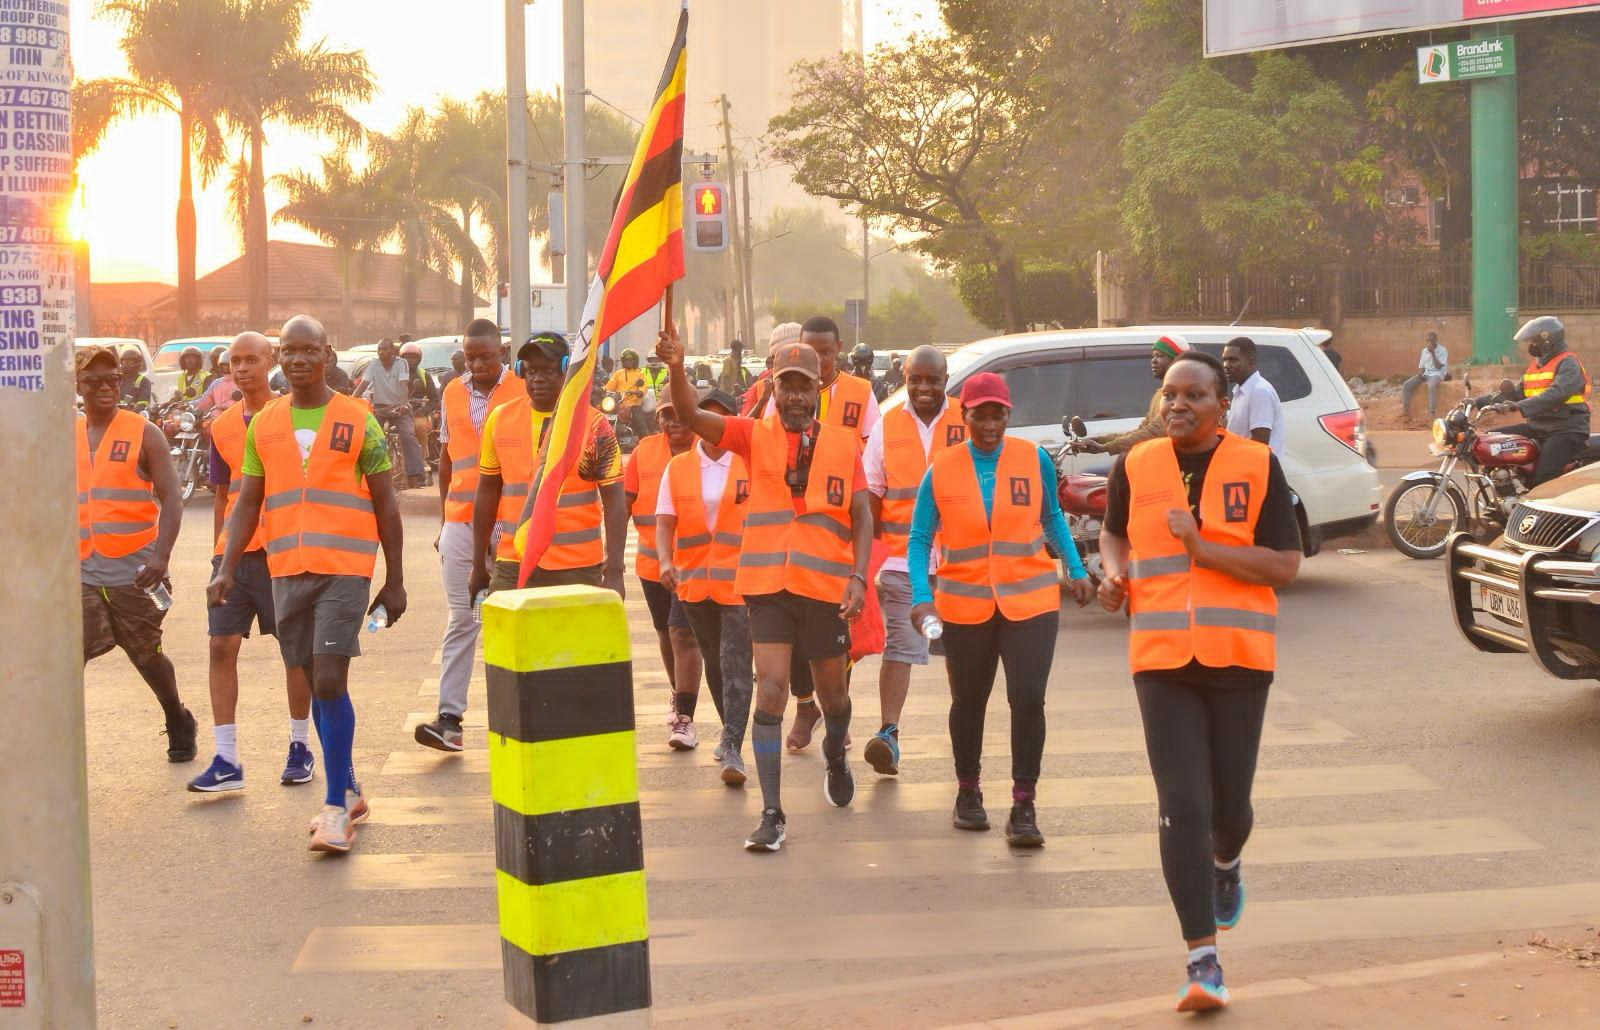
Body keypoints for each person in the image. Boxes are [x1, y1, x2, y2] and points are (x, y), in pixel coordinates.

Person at [1097, 350, 1302, 1011]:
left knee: (1228, 810)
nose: (1177, 404)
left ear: (1222, 405)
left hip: (1239, 656)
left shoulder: (1255, 464)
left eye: (1193, 395)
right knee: (1181, 804)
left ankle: (1227, 862)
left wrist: (1202, 547)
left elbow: (1285, 564)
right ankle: (1202, 960)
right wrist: (1114, 575)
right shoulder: (1136, 463)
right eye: (1168, 393)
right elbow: (1111, 533)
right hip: (1160, 658)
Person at [659, 326, 872, 853]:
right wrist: (678, 367)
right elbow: (691, 417)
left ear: (819, 388)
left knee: (833, 694)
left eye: (804, 386)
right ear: (772, 390)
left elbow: (863, 515)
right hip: (767, 587)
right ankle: (773, 814)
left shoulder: (845, 444)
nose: (795, 395)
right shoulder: (752, 436)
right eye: (786, 386)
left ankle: (838, 753)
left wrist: (859, 577)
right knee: (771, 690)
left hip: (824, 588)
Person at [208, 314, 406, 854]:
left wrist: (395, 579)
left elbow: (387, 502)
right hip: (285, 569)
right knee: (312, 676)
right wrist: (226, 565)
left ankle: (336, 806)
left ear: (327, 354)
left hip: (345, 568)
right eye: (289, 350)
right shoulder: (263, 425)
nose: (298, 360)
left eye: (308, 351)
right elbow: (247, 501)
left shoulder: (357, 419)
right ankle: (349, 786)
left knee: (326, 681)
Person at [906, 373, 1093, 847]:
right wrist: (920, 596)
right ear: (964, 416)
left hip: (1030, 600)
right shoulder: (942, 469)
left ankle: (1024, 804)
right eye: (979, 415)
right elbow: (919, 538)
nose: (989, 424)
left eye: (998, 415)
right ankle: (968, 792)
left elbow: (1052, 516)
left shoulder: (1033, 460)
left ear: (1009, 415)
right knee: (969, 703)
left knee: (1028, 700)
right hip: (964, 604)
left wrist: (1075, 569)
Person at [187, 332, 316, 792]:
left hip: (284, 552)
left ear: (270, 361)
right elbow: (223, 496)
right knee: (220, 646)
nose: (241, 369)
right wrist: (219, 554)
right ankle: (226, 759)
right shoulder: (220, 427)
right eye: (233, 362)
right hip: (235, 557)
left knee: (295, 652)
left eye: (250, 359)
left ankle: (301, 746)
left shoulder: (293, 415)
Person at [758, 316, 880, 750]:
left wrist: (862, 565)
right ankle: (804, 703)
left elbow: (873, 459)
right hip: (783, 550)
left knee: (837, 647)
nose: (821, 360)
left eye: (827, 353)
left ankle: (831, 718)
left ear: (838, 351)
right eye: (813, 351)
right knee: (785, 649)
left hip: (838, 529)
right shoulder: (771, 399)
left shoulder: (860, 394)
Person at [76, 347, 196, 762]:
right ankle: (59, 740)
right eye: (95, 381)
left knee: (146, 654)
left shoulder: (144, 432)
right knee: (67, 655)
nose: (106, 387)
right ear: (79, 386)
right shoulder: (63, 435)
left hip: (137, 571)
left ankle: (176, 715)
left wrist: (161, 558)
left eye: (112, 379)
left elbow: (172, 499)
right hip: (82, 572)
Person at [415, 320, 524, 753]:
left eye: (485, 356)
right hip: (461, 520)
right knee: (463, 618)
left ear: (502, 353)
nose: (476, 364)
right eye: (470, 356)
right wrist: (444, 519)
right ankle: (449, 719)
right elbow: (446, 456)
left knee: (513, 619)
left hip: (513, 522)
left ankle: (521, 715)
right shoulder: (453, 392)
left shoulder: (523, 388)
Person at [860, 345, 967, 775]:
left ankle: (965, 734)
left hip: (962, 566)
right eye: (915, 380)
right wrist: (867, 561)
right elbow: (871, 493)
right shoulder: (888, 425)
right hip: (905, 564)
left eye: (933, 380)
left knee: (960, 654)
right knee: (901, 647)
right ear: (904, 378)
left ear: (946, 380)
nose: (924, 388)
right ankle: (889, 733)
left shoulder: (967, 418)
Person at [467, 333, 627, 599]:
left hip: (576, 566)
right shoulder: (500, 419)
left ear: (566, 371)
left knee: (572, 642)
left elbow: (614, 500)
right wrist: (478, 564)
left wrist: (615, 571)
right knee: (512, 641)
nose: (537, 378)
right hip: (513, 562)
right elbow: (487, 492)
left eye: (548, 371)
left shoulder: (594, 425)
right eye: (530, 371)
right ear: (521, 372)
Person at [657, 388, 755, 786]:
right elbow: (665, 520)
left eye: (721, 418)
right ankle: (728, 731)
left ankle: (733, 745)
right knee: (714, 663)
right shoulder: (679, 467)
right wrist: (666, 561)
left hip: (741, 582)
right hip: (694, 582)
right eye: (705, 417)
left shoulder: (749, 462)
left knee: (737, 665)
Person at [625, 394, 705, 749]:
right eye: (665, 416)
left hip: (697, 564)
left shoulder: (711, 449)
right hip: (653, 565)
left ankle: (686, 714)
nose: (673, 423)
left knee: (684, 636)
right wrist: (611, 558)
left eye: (679, 415)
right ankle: (678, 692)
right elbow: (624, 502)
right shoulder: (644, 450)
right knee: (665, 633)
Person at [1476, 315, 1592, 486]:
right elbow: (1516, 392)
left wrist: (1519, 406)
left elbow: (1557, 393)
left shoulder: (1568, 363)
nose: (1531, 346)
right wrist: (1480, 401)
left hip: (1566, 429)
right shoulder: (1535, 367)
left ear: (1547, 341)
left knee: (1543, 479)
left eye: (1533, 341)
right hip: (1538, 426)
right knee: (1491, 440)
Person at [1078, 334, 1190, 456]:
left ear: (1176, 361)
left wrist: (1107, 447)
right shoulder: (1161, 394)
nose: (1154, 360)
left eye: (1160, 356)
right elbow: (1142, 429)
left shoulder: (1178, 395)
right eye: (1153, 356)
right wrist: (1102, 440)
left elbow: (1153, 432)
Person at [358, 337, 426, 487]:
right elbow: (363, 385)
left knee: (408, 436)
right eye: (379, 350)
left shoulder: (401, 364)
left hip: (399, 409)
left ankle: (416, 475)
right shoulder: (373, 365)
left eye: (384, 349)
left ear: (393, 352)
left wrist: (402, 404)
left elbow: (403, 385)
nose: (381, 353)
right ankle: (368, 474)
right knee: (370, 437)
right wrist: (350, 400)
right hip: (380, 409)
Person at [1221, 337, 1284, 455]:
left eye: (1233, 360)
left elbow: (1259, 443)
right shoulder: (1241, 390)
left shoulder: (1259, 391)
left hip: (1257, 469)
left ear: (1251, 361)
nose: (1226, 365)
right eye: (1224, 360)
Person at [604, 348, 652, 443]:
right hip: (619, 403)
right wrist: (603, 389)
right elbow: (610, 385)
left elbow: (644, 386)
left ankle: (645, 442)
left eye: (630, 360)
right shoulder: (618, 373)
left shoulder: (640, 373)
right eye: (626, 360)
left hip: (634, 404)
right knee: (605, 416)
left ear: (635, 361)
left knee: (640, 422)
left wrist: (639, 392)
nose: (628, 362)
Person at [1401, 331, 1449, 421]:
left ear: (1436, 340)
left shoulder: (1443, 350)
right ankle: (1405, 411)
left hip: (1437, 374)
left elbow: (1438, 366)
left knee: (1431, 386)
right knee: (1406, 385)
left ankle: (1432, 412)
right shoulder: (1424, 351)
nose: (1429, 342)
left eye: (1431, 340)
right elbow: (1422, 367)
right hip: (1425, 374)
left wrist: (1433, 353)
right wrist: (1420, 374)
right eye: (1427, 340)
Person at [117, 347, 153, 414]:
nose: (125, 365)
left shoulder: (144, 382)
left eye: (129, 362)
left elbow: (142, 405)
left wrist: (130, 413)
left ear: (137, 363)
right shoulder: (117, 380)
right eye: (124, 362)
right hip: (116, 416)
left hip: (133, 417)